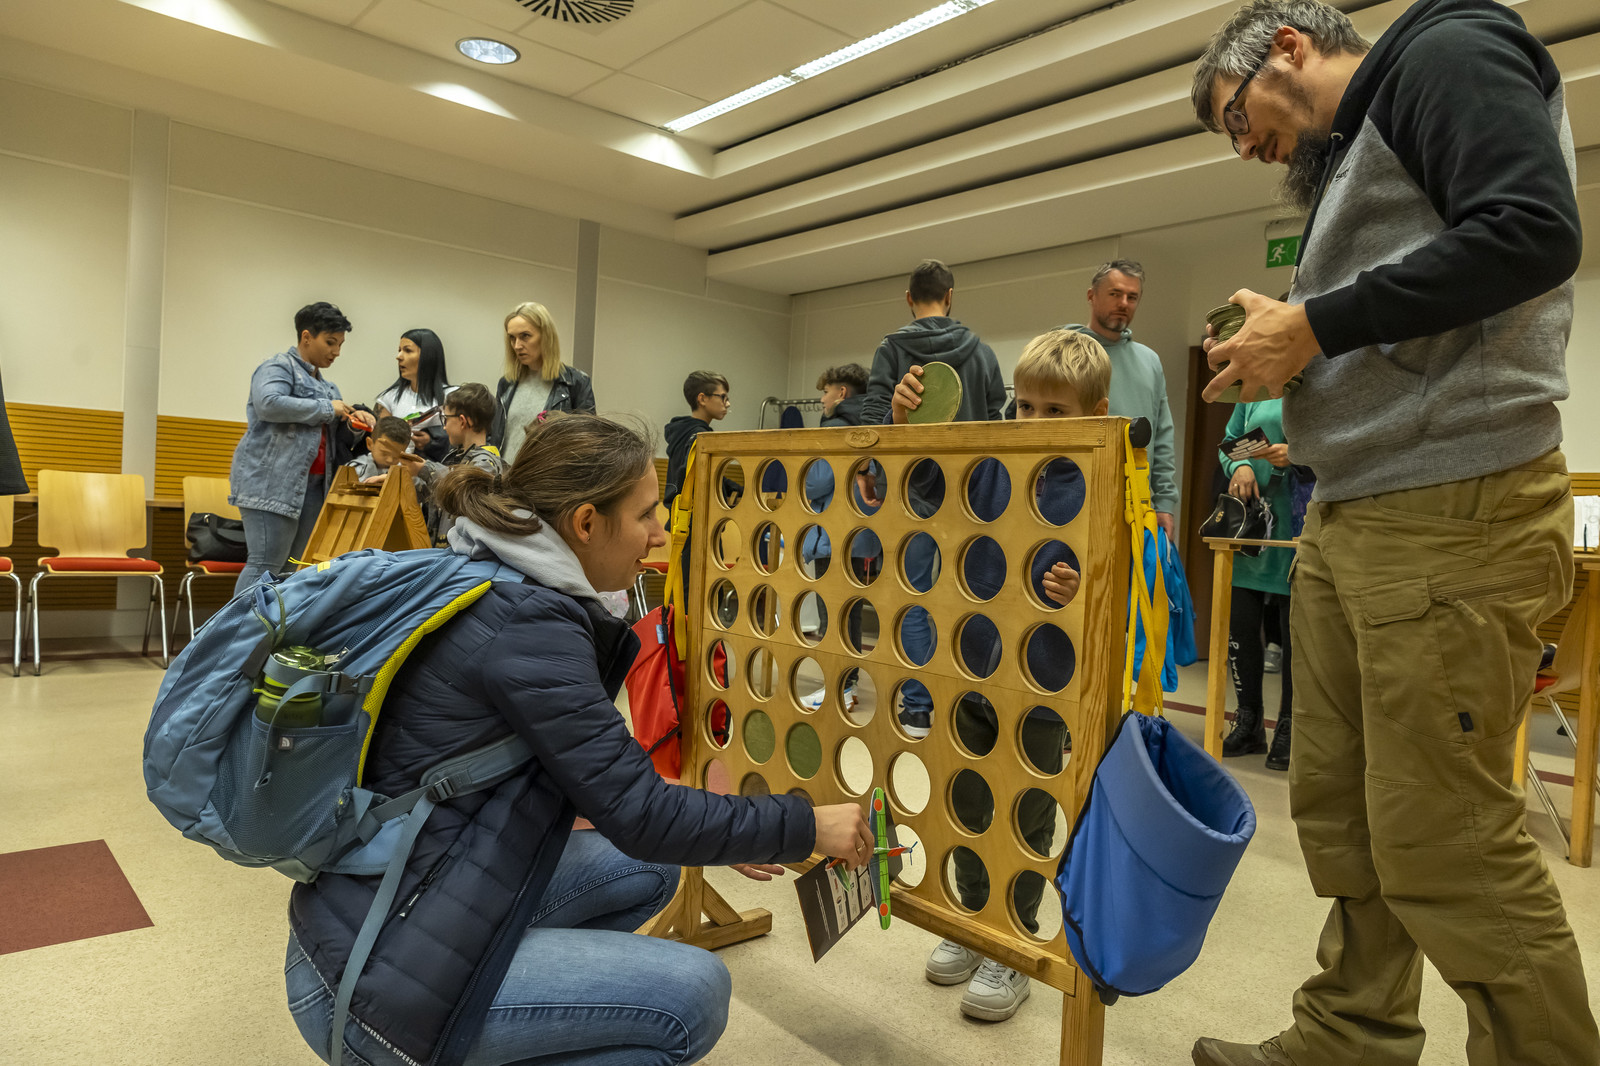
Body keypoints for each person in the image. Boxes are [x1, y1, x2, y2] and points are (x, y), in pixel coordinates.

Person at [1189, 1, 1594, 1063]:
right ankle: (1351, 1035)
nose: (1244, 149)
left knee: (1447, 837)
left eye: (1236, 119)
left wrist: (1313, 324)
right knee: (1345, 814)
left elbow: (1533, 230)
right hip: (1353, 507)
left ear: (1286, 47)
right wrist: (1291, 345)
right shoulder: (1351, 155)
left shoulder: (1444, 51)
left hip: (1449, 504)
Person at [282, 414, 875, 1066]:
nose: (659, 533)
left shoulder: (493, 572)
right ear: (586, 523)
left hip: (393, 899)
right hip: (368, 980)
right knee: (694, 993)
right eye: (645, 514)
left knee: (647, 869)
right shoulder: (529, 626)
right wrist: (806, 826)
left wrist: (721, 827)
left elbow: (605, 790)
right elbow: (642, 814)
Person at [901, 329, 1095, 1022]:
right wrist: (909, 423)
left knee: (1024, 815)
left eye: (1055, 411)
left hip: (1039, 686)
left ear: (1094, 413)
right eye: (1025, 406)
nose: (1033, 422)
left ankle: (1010, 942)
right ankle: (970, 920)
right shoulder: (992, 464)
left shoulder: (1094, 480)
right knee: (965, 802)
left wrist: (1080, 587)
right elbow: (929, 482)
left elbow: (1112, 577)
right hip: (969, 668)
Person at [863, 259, 1006, 738]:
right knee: (972, 599)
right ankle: (966, 703)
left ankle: (919, 708)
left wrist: (868, 472)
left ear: (909, 298)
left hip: (910, 495)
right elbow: (998, 422)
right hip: (974, 495)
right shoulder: (982, 351)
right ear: (950, 296)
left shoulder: (890, 348)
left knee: (915, 600)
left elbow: (873, 419)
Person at [230, 302, 373, 595]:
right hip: (271, 484)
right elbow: (268, 404)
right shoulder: (277, 367)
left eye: (340, 344)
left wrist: (356, 421)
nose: (336, 351)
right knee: (264, 564)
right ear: (306, 337)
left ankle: (273, 625)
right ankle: (237, 625)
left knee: (293, 568)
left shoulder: (329, 388)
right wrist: (328, 408)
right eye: (330, 342)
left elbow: (335, 438)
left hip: (315, 486)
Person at [1058, 261, 1179, 542]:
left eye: (1132, 297)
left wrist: (1164, 503)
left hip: (1134, 505)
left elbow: (1162, 436)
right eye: (1115, 294)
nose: (1124, 303)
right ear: (1092, 296)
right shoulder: (1063, 350)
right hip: (1070, 496)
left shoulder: (1150, 361)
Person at [1216, 398, 1296, 770]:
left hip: (1299, 522)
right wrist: (1242, 464)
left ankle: (1290, 726)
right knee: (1242, 625)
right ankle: (1248, 721)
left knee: (1296, 635)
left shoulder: (1318, 380)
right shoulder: (1253, 392)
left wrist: (1298, 455)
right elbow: (1229, 443)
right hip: (1252, 525)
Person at [395, 382, 505, 545]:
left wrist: (424, 469)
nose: (444, 427)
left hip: (465, 554)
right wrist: (397, 480)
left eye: (445, 419)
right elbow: (433, 492)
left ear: (462, 421)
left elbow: (459, 488)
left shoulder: (487, 463)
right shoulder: (455, 458)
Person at [490, 302, 596, 466]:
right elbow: (495, 436)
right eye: (512, 338)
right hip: (504, 476)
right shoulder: (506, 384)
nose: (517, 346)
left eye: (525, 336)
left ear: (546, 336)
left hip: (545, 477)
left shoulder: (575, 383)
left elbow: (587, 443)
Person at [375, 328, 452, 462]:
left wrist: (434, 442)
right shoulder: (387, 399)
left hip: (440, 470)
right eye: (399, 350)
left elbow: (465, 439)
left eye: (408, 350)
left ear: (428, 356)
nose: (399, 356)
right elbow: (378, 442)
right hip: (397, 470)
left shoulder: (452, 397)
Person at [663, 370, 731, 512]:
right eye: (723, 397)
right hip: (694, 516)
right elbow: (694, 477)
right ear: (702, 399)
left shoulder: (681, 431)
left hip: (678, 515)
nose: (728, 403)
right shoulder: (701, 437)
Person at [346, 416, 412, 483]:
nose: (390, 460)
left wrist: (394, 477)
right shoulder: (355, 468)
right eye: (384, 453)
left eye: (396, 456)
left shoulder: (404, 471)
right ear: (370, 444)